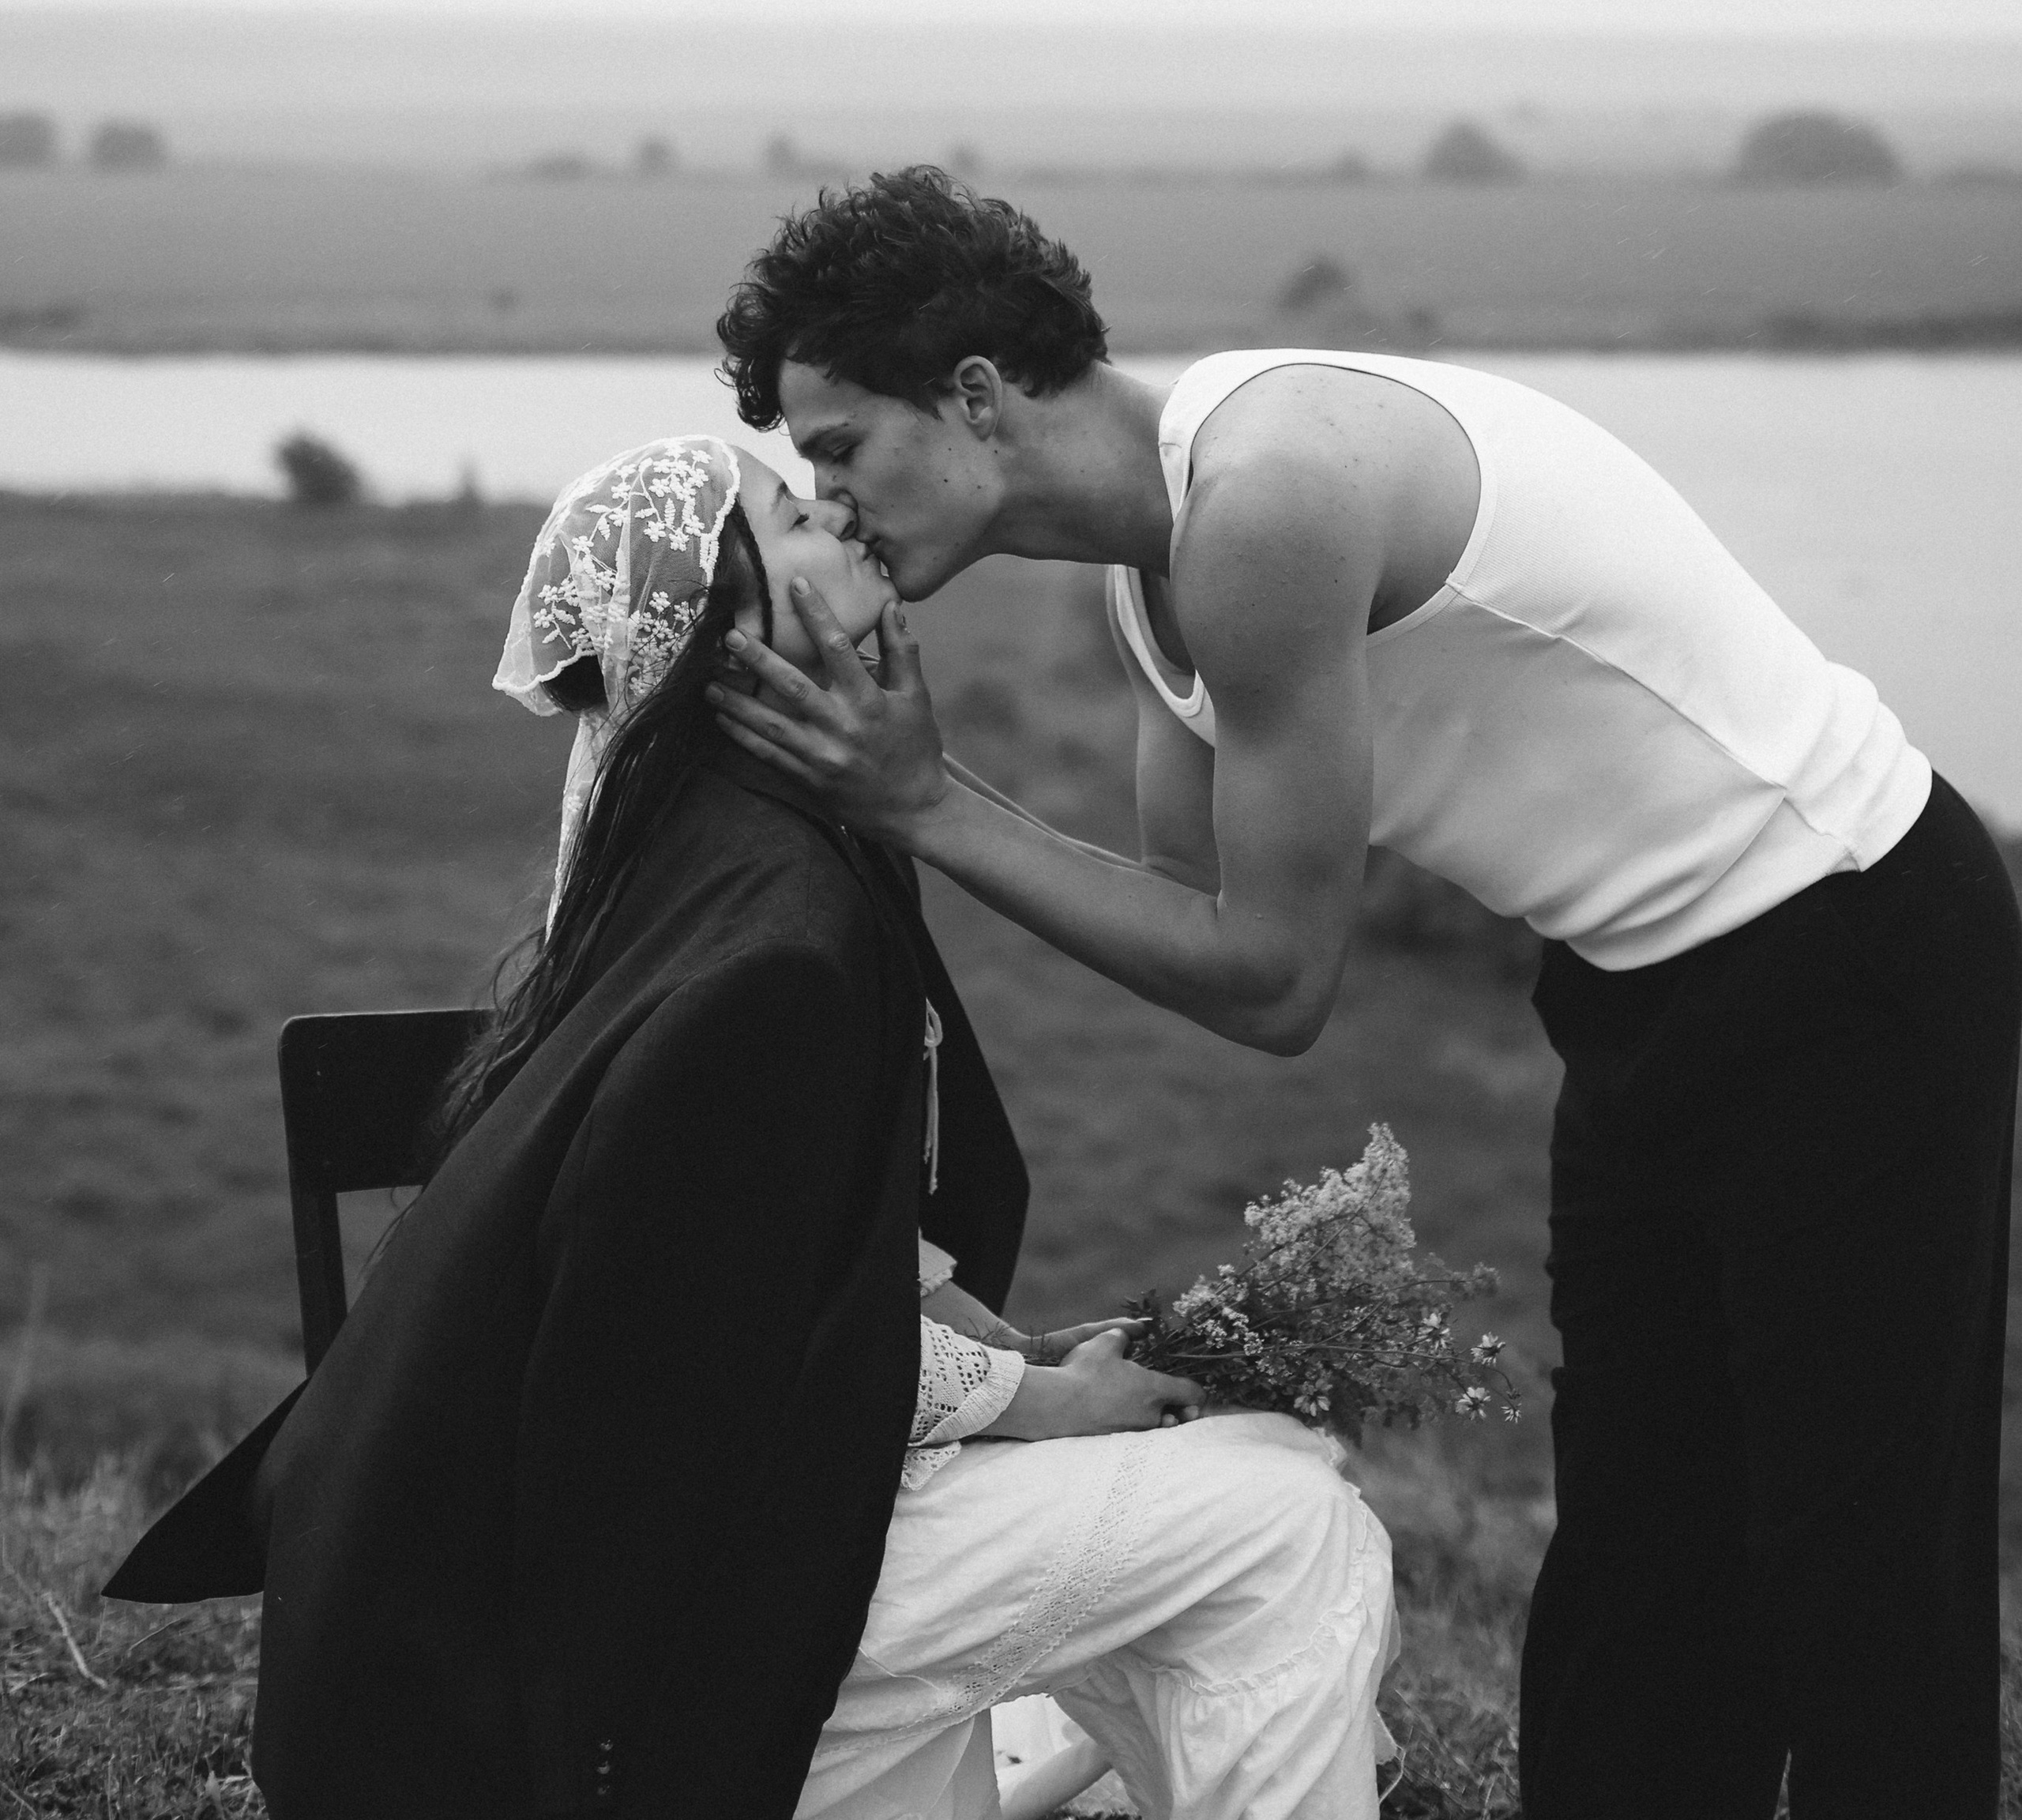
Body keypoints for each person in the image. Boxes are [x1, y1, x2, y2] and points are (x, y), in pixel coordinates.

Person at [708, 167, 2022, 1820]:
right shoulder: (1154, 572)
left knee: (1854, 1558)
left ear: (972, 396)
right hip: (1635, 989)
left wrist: (926, 802)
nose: (826, 503)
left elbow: (1273, 982)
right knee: (1639, 1542)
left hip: (1845, 942)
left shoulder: (1264, 500)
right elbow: (1201, 921)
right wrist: (914, 794)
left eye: (836, 451)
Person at [108, 434, 1400, 1820]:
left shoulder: (707, 856)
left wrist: (1013, 1354)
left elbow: (796, 1236)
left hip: (634, 1538)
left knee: (1248, 1470)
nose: (839, 507)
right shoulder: (772, 953)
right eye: (792, 511)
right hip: (626, 1631)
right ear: (727, 634)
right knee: (1295, 1522)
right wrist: (1050, 1402)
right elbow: (712, 1355)